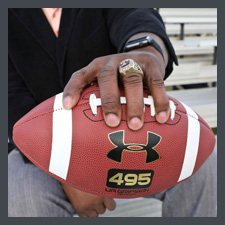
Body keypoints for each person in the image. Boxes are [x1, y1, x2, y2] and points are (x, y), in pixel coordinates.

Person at [8, 8, 217, 217]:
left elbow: (135, 14)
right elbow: (10, 95)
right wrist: (68, 173)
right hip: (41, 140)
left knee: (203, 164)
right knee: (24, 195)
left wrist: (146, 49)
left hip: (122, 124)